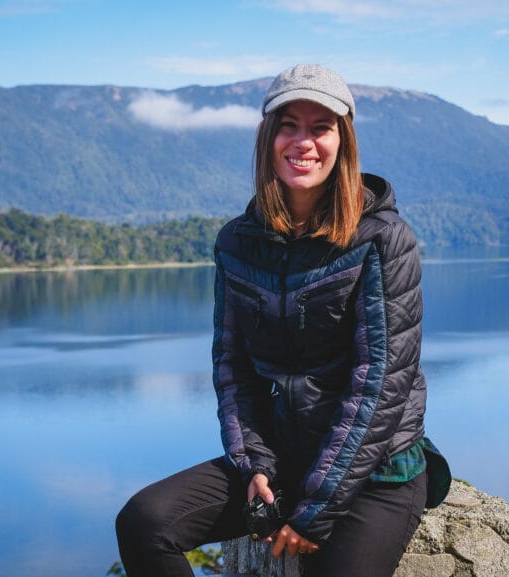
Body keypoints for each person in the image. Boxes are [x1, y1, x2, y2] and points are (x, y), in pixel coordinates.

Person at [116, 64, 449, 577]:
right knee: (145, 522)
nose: (304, 142)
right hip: (284, 459)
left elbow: (378, 386)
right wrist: (255, 466)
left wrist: (312, 510)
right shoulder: (237, 242)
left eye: (321, 127)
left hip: (376, 471)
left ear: (344, 140)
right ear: (268, 138)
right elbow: (232, 367)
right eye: (288, 125)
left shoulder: (382, 239)